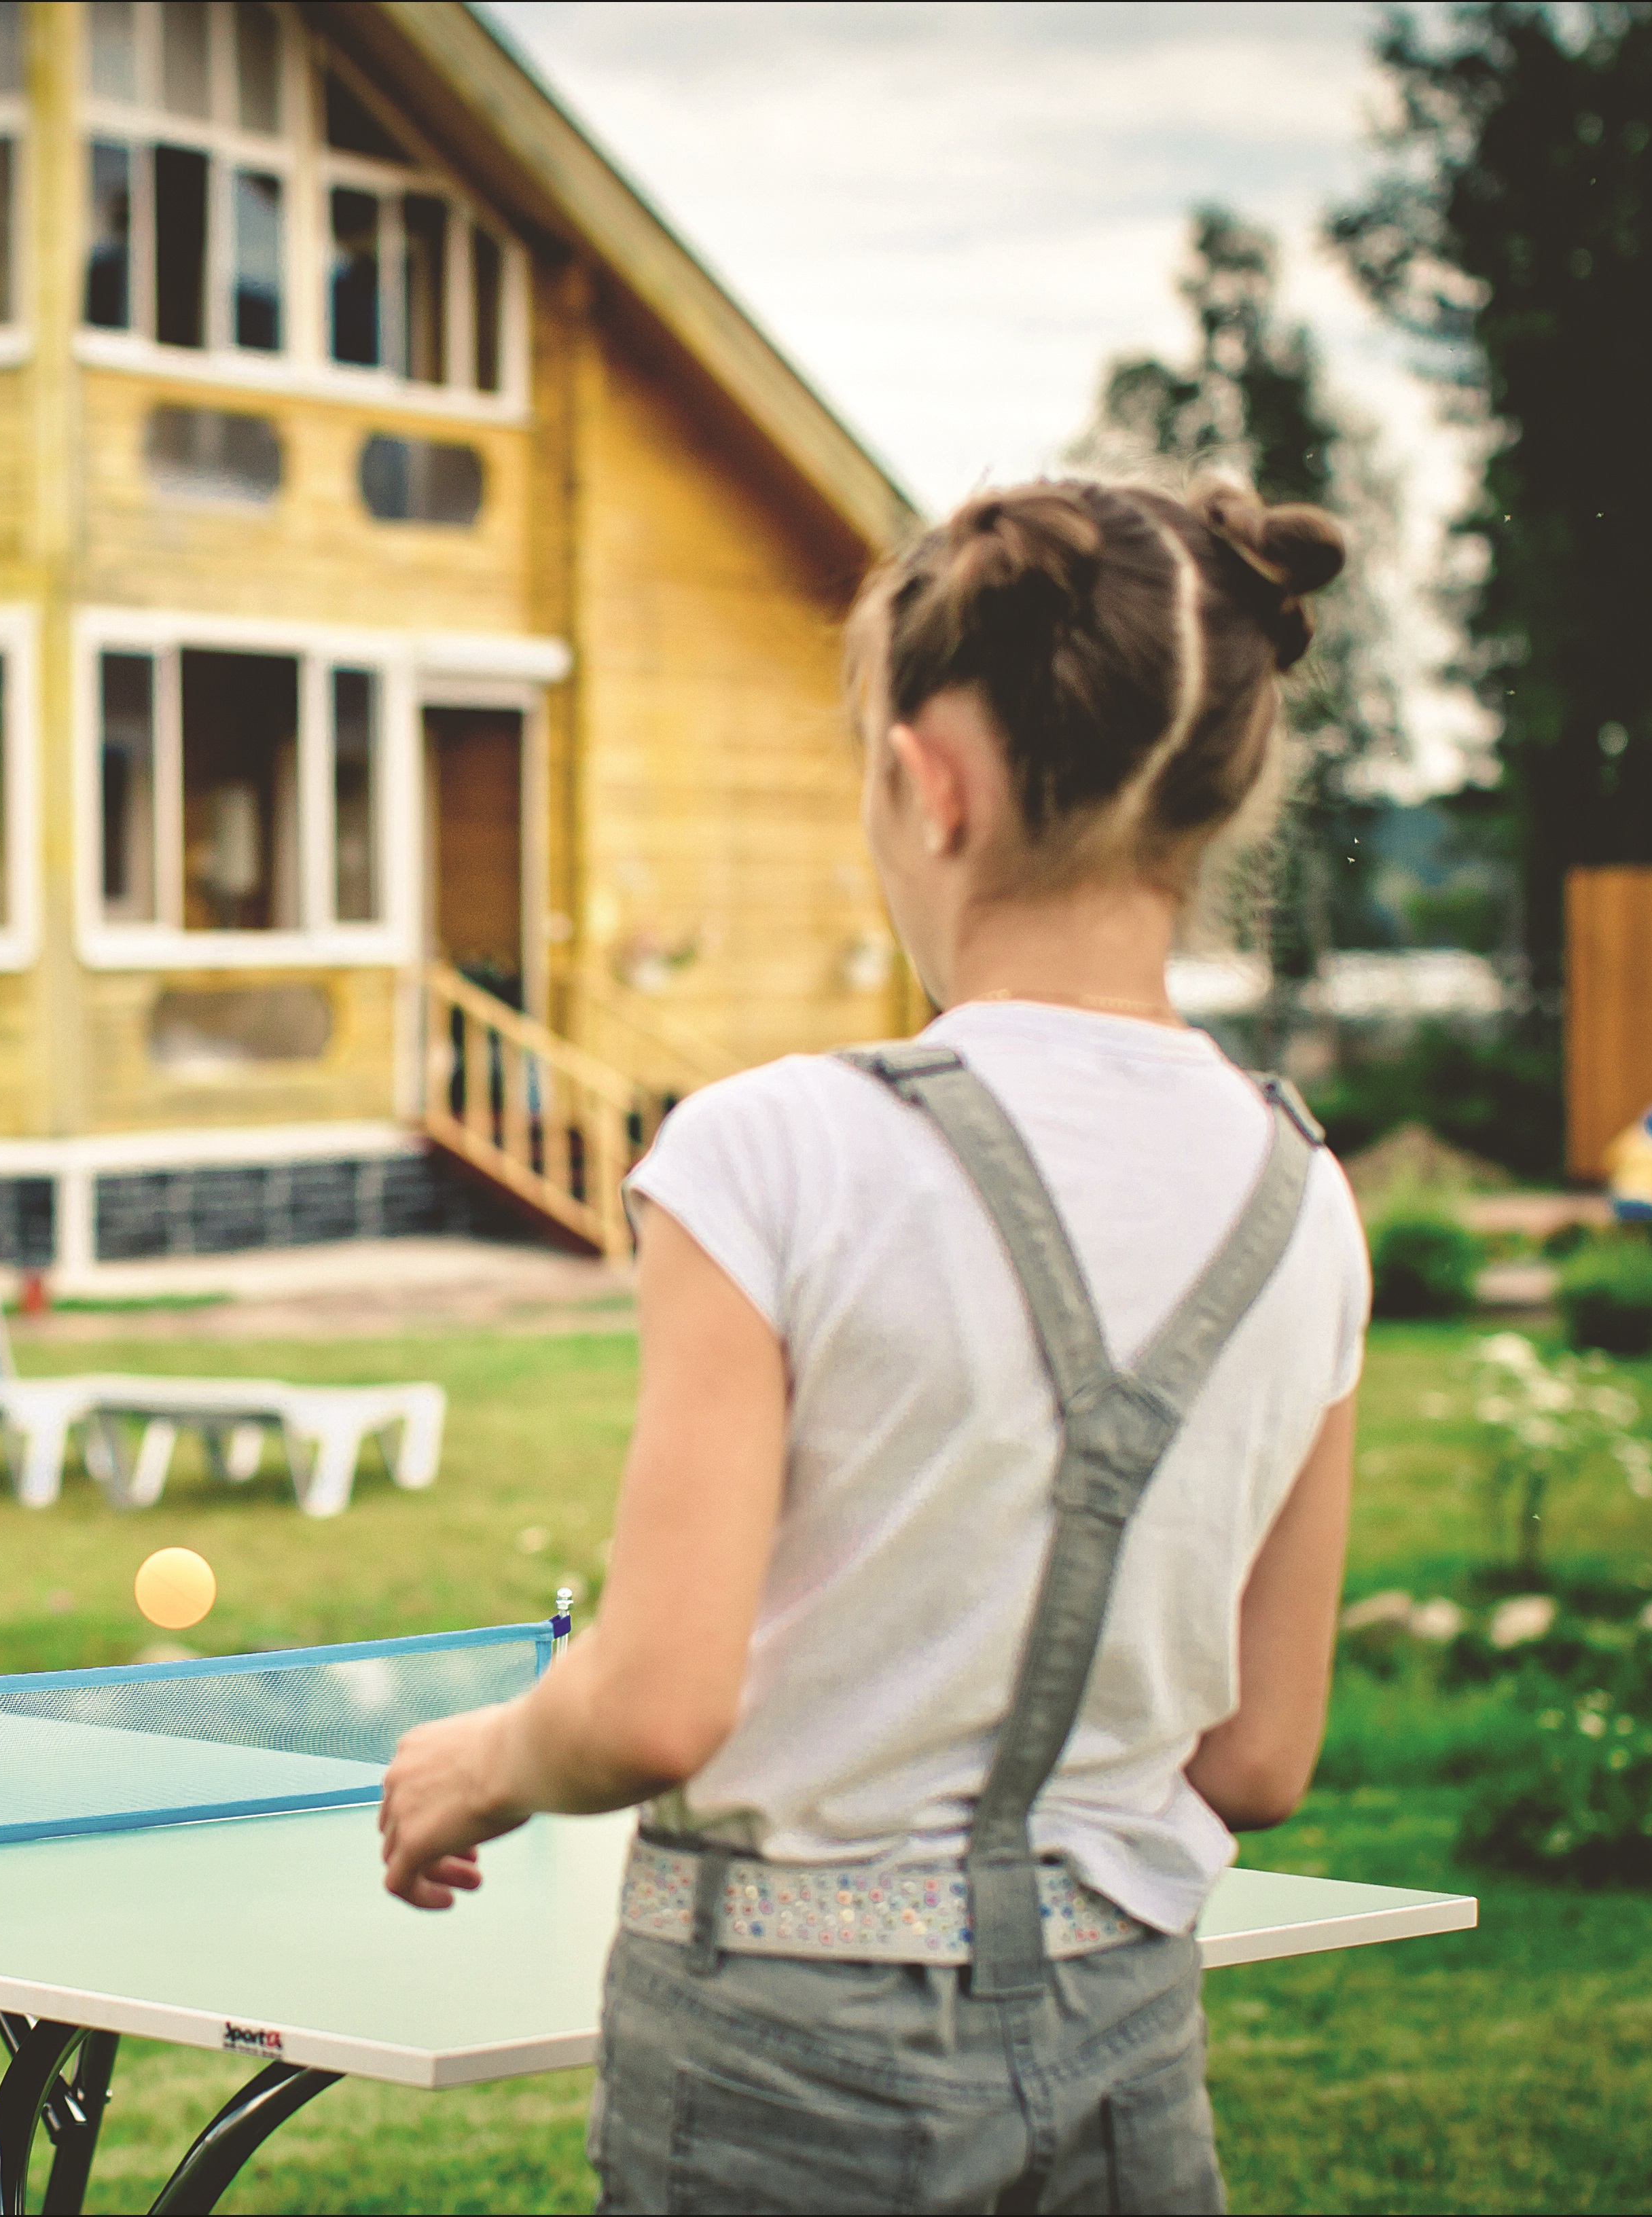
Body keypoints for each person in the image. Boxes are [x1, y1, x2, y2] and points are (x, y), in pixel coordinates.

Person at [380, 480, 1365, 2214]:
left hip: (790, 2056)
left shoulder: (773, 1150)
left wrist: (484, 1757)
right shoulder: (1305, 1195)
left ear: (928, 785)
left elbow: (662, 1700)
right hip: (1130, 2041)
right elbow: (1260, 1755)